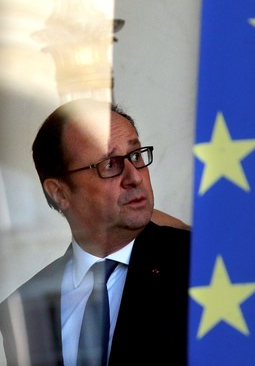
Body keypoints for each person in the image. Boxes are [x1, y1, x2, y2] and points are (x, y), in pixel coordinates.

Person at [0, 99, 190, 365]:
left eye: (135, 156)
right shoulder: (24, 307)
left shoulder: (198, 265)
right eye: (110, 164)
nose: (134, 177)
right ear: (60, 192)